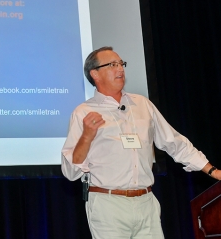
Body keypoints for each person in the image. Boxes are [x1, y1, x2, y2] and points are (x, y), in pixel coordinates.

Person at [61, 46, 220, 239]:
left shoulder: (142, 104)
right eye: (112, 64)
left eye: (121, 64)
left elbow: (174, 142)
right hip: (108, 204)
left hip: (146, 202)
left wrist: (213, 171)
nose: (120, 69)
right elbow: (70, 172)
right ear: (95, 73)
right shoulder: (83, 112)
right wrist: (86, 136)